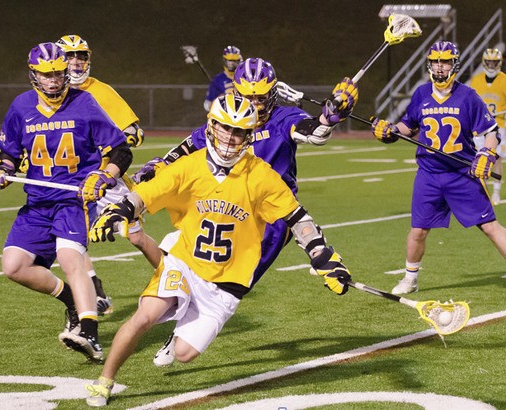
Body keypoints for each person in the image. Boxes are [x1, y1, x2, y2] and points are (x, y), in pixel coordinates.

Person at [84, 94, 353, 406]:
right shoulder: (190, 166)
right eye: (225, 128)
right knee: (146, 315)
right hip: (185, 261)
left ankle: (177, 318)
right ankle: (104, 381)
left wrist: (320, 253)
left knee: (184, 354)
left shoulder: (261, 175)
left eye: (238, 131)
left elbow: (297, 217)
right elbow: (145, 194)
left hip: (228, 281)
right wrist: (120, 211)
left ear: (249, 135)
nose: (230, 137)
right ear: (211, 126)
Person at [131, 57, 358, 365]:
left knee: (236, 281)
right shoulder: (229, 120)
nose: (255, 104)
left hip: (270, 216)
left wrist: (330, 117)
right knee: (195, 255)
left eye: (260, 97)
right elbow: (186, 148)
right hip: (227, 206)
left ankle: (187, 329)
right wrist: (159, 164)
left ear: (272, 95)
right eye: (248, 96)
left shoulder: (284, 118)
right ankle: (177, 309)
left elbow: (314, 132)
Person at [0, 42, 132, 362]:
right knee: (14, 266)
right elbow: (9, 156)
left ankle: (89, 333)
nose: (53, 81)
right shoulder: (21, 106)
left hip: (73, 200)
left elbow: (121, 151)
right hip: (37, 203)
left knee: (70, 257)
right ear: (33, 75)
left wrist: (104, 176)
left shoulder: (84, 102)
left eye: (58, 74)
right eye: (46, 75)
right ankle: (72, 301)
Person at [369, 41, 506, 300]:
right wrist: (391, 131)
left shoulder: (468, 96)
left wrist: (487, 153)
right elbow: (408, 125)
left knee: (490, 226)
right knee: (418, 230)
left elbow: (491, 132)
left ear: (454, 64)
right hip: (428, 174)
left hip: (461, 174)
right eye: (436, 61)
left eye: (445, 61)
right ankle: (410, 279)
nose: (440, 66)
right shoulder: (421, 93)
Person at [56, 34, 159, 315]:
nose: (76, 62)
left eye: (81, 56)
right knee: (70, 234)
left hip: (106, 178)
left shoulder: (99, 90)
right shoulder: (51, 98)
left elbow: (134, 132)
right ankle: (94, 289)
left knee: (135, 236)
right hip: (71, 179)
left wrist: (122, 138)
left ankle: (176, 277)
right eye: (69, 56)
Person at [469, 48, 506, 205]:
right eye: (489, 62)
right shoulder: (476, 80)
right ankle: (481, 191)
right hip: (480, 126)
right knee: (479, 159)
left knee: (496, 159)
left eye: (494, 62)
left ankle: (496, 191)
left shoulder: (505, 80)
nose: (491, 65)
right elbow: (471, 103)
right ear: (484, 62)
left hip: (499, 125)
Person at [203, 46, 243, 111]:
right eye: (229, 60)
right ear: (225, 60)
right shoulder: (217, 80)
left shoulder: (243, 77)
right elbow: (207, 104)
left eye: (234, 61)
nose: (232, 63)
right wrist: (220, 100)